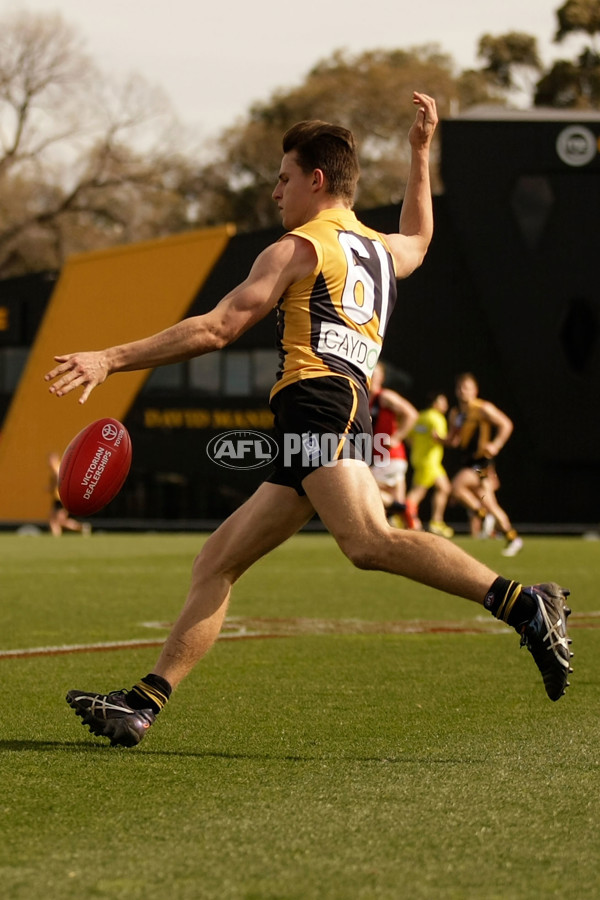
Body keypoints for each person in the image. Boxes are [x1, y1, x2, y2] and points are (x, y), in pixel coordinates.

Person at [45, 93, 572, 748]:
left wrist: (110, 357)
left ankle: (526, 605)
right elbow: (422, 238)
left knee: (367, 542)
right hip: (318, 408)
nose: (276, 193)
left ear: (315, 181)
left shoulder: (298, 248)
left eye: (284, 178)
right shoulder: (380, 250)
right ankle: (144, 705)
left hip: (321, 400)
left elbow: (218, 326)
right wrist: (417, 152)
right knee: (215, 562)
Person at [447, 373, 522, 556]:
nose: (463, 391)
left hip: (482, 464)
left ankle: (481, 514)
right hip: (468, 461)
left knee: (457, 487)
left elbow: (506, 424)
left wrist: (496, 444)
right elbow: (454, 441)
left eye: (467, 388)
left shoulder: (482, 408)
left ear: (475, 390)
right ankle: (512, 537)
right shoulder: (456, 413)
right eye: (460, 388)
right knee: (490, 502)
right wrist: (441, 439)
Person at [369, 362, 418, 527]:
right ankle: (406, 520)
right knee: (395, 509)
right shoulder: (365, 400)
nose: (370, 377)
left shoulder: (385, 397)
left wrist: (397, 437)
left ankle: (405, 509)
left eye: (375, 374)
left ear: (381, 377)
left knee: (363, 487)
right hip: (381, 458)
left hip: (391, 457)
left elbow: (411, 414)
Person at [405, 392, 453, 537]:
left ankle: (436, 522)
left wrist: (418, 448)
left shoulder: (420, 417)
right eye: (443, 402)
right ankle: (401, 517)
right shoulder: (437, 419)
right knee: (417, 494)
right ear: (435, 404)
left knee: (444, 488)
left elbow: (408, 435)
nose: (446, 405)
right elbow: (443, 439)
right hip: (430, 461)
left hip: (420, 459)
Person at [47, 452, 91, 537]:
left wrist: (51, 487)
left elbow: (59, 482)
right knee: (54, 520)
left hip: (61, 499)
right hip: (57, 499)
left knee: (58, 521)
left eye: (50, 460)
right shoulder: (55, 470)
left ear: (55, 460)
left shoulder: (57, 469)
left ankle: (81, 527)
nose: (49, 463)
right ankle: (56, 538)